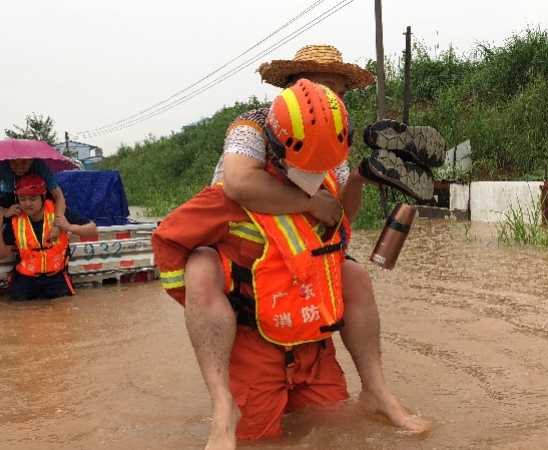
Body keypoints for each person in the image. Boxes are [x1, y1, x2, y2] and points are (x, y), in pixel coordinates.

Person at [178, 45, 431, 449]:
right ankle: (223, 406)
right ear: (296, 86)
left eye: (342, 92)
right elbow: (241, 182)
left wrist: (359, 180)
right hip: (253, 286)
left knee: (330, 425)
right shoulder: (253, 125)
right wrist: (312, 202)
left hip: (307, 291)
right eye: (326, 87)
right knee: (256, 437)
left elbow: (341, 219)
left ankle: (377, 392)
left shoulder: (333, 140)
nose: (335, 99)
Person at [0, 174, 98, 301]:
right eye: (22, 199)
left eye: (32, 198)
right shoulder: (15, 219)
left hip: (56, 276)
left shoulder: (58, 212)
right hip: (26, 277)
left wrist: (68, 227)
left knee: (64, 307)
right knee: (18, 309)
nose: (27, 204)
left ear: (43, 196)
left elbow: (93, 230)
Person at [0, 158, 68, 242]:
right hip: (10, 196)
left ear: (31, 160)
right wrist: (4, 212)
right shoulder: (2, 166)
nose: (19, 167)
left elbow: (59, 197)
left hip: (39, 193)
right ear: (9, 161)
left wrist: (58, 224)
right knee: (4, 204)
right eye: (14, 162)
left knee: (58, 206)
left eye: (24, 162)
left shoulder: (40, 166)